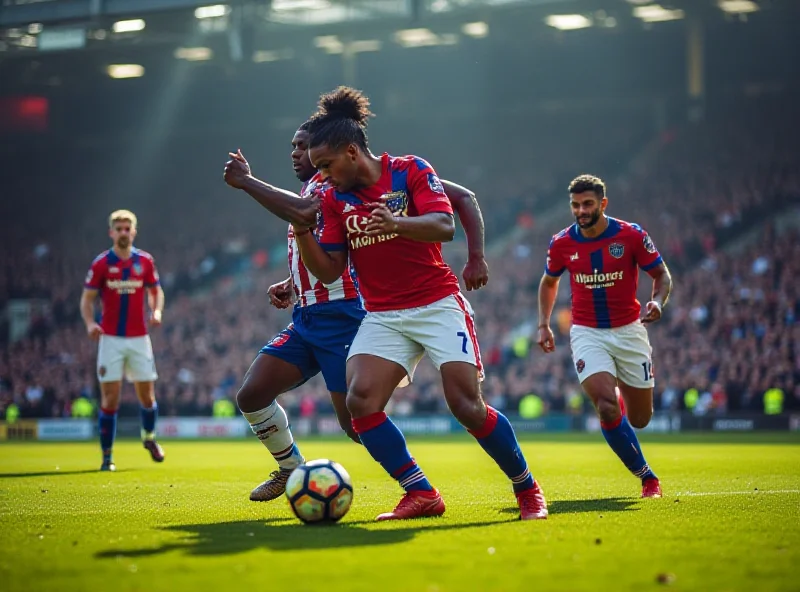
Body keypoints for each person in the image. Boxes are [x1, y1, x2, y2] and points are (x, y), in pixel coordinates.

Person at [225, 86, 547, 521]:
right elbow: (330, 270)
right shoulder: (335, 199)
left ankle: (527, 489)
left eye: (326, 164)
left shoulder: (410, 170)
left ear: (352, 152)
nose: (322, 174)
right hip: (381, 314)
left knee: (465, 405)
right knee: (360, 405)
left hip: (436, 303)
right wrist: (303, 230)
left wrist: (399, 222)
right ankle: (421, 493)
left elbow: (443, 224)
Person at [536, 174, 673, 498]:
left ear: (603, 204)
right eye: (575, 205)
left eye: (587, 204)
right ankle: (647, 477)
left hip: (629, 331)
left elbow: (661, 275)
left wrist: (657, 300)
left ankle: (624, 398)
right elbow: (549, 282)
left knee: (639, 419)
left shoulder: (631, 235)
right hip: (587, 332)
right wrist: (543, 323)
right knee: (607, 406)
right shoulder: (561, 243)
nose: (581, 210)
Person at [80, 210, 165, 472]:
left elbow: (156, 291)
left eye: (128, 228)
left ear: (134, 231)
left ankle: (149, 438)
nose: (124, 232)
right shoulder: (102, 264)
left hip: (139, 339)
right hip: (111, 340)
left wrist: (157, 310)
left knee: (147, 397)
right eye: (119, 228)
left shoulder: (145, 262)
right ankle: (107, 456)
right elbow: (87, 300)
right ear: (111, 232)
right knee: (110, 399)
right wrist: (91, 323)